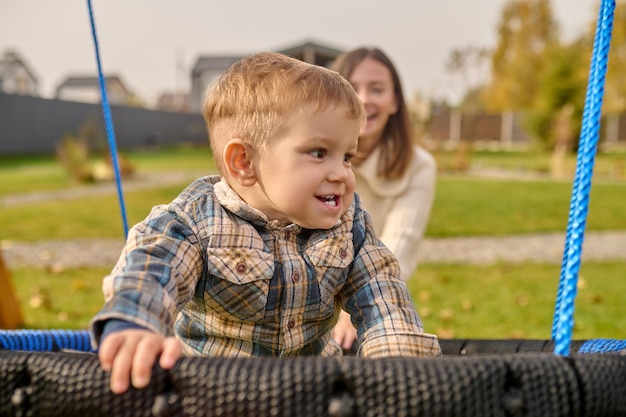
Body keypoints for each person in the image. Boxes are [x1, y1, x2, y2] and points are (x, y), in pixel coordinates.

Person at [89, 51, 441, 394]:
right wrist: (134, 321)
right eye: (319, 153)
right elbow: (154, 266)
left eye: (347, 155)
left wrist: (397, 362)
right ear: (243, 162)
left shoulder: (348, 225)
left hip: (313, 394)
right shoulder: (198, 220)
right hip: (211, 395)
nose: (342, 173)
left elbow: (381, 291)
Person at [330, 47, 437, 351]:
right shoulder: (313, 157)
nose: (364, 99)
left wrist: (357, 310)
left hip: (377, 298)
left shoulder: (418, 165)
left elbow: (399, 245)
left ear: (395, 101)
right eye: (352, 88)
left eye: (377, 89)